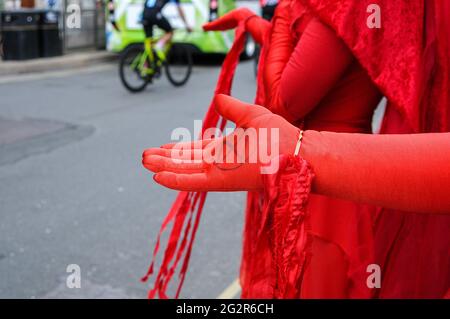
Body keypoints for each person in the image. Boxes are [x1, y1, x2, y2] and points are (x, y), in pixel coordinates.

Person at [142, 0, 450, 298]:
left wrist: (283, 17)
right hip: (325, 176)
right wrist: (254, 22)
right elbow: (306, 48)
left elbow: (284, 101)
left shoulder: (342, 6)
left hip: (325, 201)